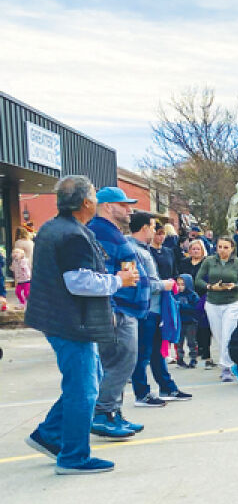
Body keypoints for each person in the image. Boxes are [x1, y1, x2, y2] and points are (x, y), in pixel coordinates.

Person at [24, 175, 138, 475]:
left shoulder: (52, 228)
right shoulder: (73, 235)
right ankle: (73, 456)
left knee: (88, 378)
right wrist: (119, 280)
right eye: (95, 197)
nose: (97, 202)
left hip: (59, 319)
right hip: (71, 323)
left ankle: (49, 434)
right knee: (84, 389)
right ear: (87, 202)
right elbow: (79, 281)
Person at [87, 186, 150, 437]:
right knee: (119, 363)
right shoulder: (99, 233)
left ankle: (113, 411)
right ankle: (103, 414)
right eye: (123, 205)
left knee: (124, 362)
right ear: (107, 206)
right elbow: (101, 274)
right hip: (118, 309)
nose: (129, 209)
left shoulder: (111, 233)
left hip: (127, 309)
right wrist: (111, 308)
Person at [127, 211, 191, 407]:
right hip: (145, 309)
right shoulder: (132, 250)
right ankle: (142, 393)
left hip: (153, 308)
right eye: (154, 227)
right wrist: (162, 285)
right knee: (143, 353)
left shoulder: (142, 249)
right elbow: (137, 281)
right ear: (145, 228)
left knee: (156, 351)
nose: (155, 231)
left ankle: (166, 386)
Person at [195, 236, 238, 382]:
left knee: (228, 334)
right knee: (219, 336)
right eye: (220, 247)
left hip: (232, 302)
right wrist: (210, 287)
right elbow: (198, 280)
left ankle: (227, 367)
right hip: (212, 302)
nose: (222, 250)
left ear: (232, 249)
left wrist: (235, 286)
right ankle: (230, 361)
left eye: (226, 247)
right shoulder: (209, 261)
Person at [178, 239, 214, 368]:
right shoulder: (184, 262)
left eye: (198, 249)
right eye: (193, 249)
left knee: (203, 324)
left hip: (203, 294)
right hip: (186, 295)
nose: (195, 251)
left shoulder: (207, 263)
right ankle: (193, 350)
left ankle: (205, 349)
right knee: (189, 325)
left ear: (202, 250)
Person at [175, 274, 201, 368]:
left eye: (183, 284)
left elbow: (196, 308)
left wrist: (181, 306)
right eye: (178, 284)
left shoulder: (193, 295)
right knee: (179, 342)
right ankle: (180, 359)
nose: (180, 287)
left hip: (191, 322)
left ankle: (193, 359)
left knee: (192, 342)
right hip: (179, 322)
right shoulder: (175, 295)